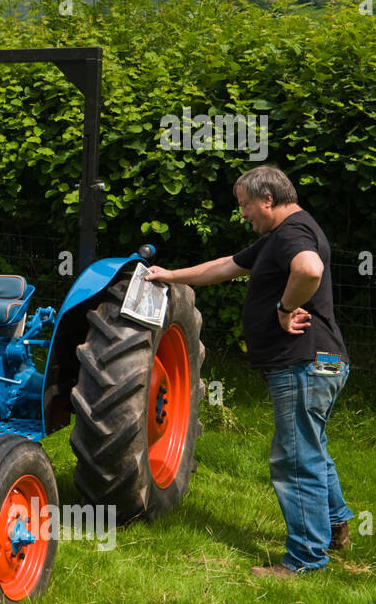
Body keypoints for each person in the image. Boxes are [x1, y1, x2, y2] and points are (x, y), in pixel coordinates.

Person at [144, 165, 351, 578]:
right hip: (323, 363)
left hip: (302, 364)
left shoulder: (292, 233)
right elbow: (223, 267)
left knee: (294, 458)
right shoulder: (281, 236)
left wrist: (284, 308)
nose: (242, 214)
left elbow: (309, 270)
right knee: (313, 448)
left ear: (268, 200)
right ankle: (335, 527)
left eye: (245, 205)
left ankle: (305, 559)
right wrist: (169, 276)